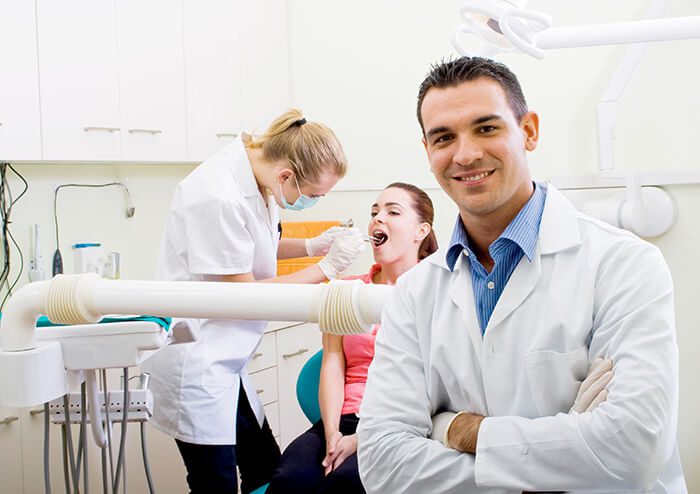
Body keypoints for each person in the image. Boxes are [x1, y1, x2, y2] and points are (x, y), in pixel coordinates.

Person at [357, 57, 686, 493]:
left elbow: (632, 449)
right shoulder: (415, 293)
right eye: (444, 137)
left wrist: (459, 430)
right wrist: (563, 448)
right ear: (427, 151)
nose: (466, 153)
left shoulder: (624, 265)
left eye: (486, 128)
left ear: (528, 131)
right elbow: (383, 463)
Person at [142, 108, 366, 494]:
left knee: (264, 466)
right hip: (199, 360)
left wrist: (311, 246)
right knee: (217, 483)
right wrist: (327, 268)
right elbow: (246, 295)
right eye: (313, 196)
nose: (314, 201)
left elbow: (258, 245)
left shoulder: (260, 177)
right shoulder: (217, 195)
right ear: (287, 177)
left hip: (229, 360)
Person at [266, 182, 439, 494]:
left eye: (392, 212)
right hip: (342, 419)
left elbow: (436, 386)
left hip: (398, 426)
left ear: (421, 231)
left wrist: (362, 440)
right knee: (289, 482)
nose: (377, 219)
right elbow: (332, 362)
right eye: (374, 212)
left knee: (344, 484)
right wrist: (332, 433)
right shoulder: (346, 290)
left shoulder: (436, 295)